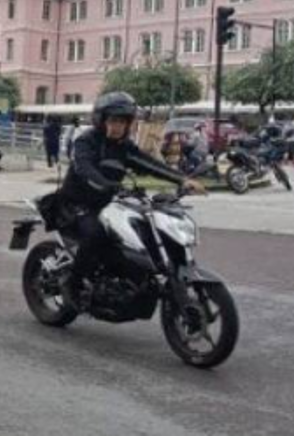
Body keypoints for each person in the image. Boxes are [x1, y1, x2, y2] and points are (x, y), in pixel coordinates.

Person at [57, 93, 206, 308]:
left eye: (123, 121)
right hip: (76, 204)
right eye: (113, 120)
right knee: (95, 234)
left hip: (107, 203)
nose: (118, 126)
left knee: (136, 231)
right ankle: (73, 284)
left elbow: (148, 164)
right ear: (102, 120)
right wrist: (104, 182)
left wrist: (182, 180)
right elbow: (83, 167)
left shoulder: (124, 146)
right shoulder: (86, 141)